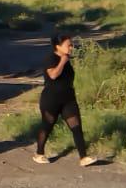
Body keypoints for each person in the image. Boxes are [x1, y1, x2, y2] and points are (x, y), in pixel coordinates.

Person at [36, 32, 100, 167]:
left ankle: (83, 157)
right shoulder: (50, 58)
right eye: (68, 45)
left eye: (72, 45)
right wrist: (62, 62)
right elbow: (53, 75)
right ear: (58, 46)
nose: (71, 47)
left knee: (76, 127)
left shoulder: (67, 59)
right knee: (47, 126)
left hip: (68, 100)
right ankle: (39, 153)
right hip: (51, 100)